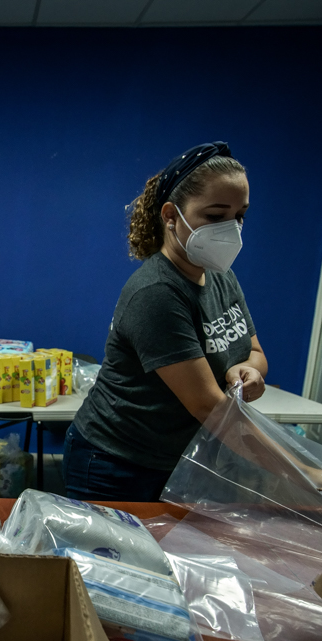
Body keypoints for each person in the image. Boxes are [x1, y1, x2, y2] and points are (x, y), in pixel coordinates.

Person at [64, 141, 267, 502]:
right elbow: (209, 405)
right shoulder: (157, 292)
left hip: (179, 457)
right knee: (119, 558)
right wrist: (306, 473)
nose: (231, 229)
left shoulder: (221, 276)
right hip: (117, 461)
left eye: (240, 216)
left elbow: (253, 350)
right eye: (216, 216)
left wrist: (249, 372)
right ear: (171, 215)